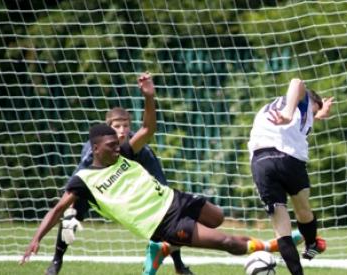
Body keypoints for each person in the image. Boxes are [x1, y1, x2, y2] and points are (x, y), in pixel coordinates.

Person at [21, 122, 294, 273]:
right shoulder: (83, 180)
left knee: (218, 217)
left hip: (174, 199)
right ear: (95, 148)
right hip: (163, 224)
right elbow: (58, 210)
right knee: (228, 242)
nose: (118, 148)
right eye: (111, 145)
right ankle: (274, 246)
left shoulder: (124, 153)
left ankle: (163, 250)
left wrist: (149, 96)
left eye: (118, 144)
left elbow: (148, 129)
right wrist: (36, 239)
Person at [43, 72, 193, 275]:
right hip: (102, 187)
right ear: (107, 128)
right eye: (116, 126)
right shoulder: (94, 150)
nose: (122, 131)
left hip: (133, 187)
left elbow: (160, 181)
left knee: (168, 216)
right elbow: (77, 182)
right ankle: (56, 262)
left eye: (126, 126)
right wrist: (70, 212)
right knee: (73, 213)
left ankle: (179, 265)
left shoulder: (140, 149)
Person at [248, 78, 334, 275]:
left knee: (281, 229)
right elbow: (297, 82)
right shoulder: (299, 101)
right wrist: (289, 113)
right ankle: (312, 243)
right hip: (288, 159)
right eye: (315, 109)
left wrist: (317, 115)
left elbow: (296, 123)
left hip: (261, 162)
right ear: (311, 101)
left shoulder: (270, 108)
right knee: (303, 211)